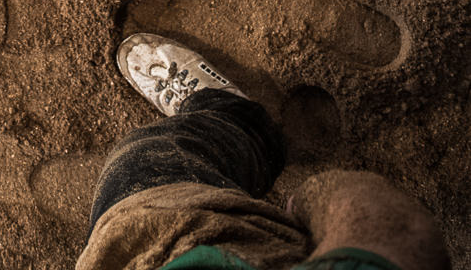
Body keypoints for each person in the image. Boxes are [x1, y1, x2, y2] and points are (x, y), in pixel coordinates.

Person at [79, 30, 448, 270]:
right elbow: (402, 233)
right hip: (217, 241)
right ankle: (239, 120)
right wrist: (307, 202)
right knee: (140, 165)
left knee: (135, 183)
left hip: (149, 254)